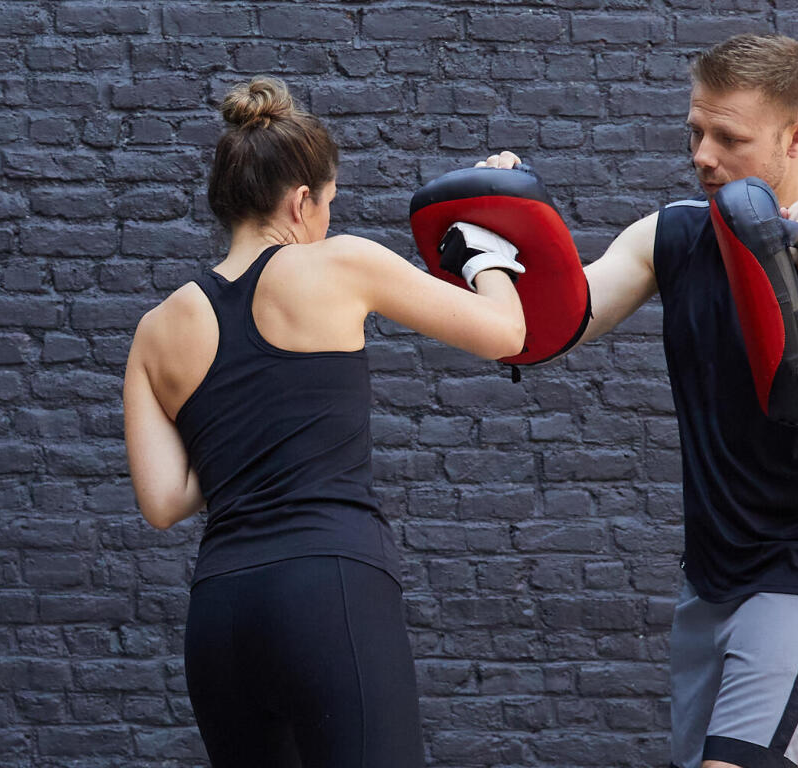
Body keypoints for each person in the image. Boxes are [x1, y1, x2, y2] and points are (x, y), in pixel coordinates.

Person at [476, 33, 798, 768]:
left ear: (796, 137)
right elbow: (543, 330)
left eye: (729, 138)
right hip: (711, 571)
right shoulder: (671, 235)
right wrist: (499, 227)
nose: (703, 155)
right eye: (696, 131)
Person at [121, 77, 529, 767]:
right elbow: (505, 332)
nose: (329, 222)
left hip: (221, 611)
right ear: (301, 200)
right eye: (329, 205)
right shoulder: (337, 264)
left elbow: (164, 503)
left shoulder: (156, 330)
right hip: (327, 588)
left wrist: (239, 433)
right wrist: (484, 243)